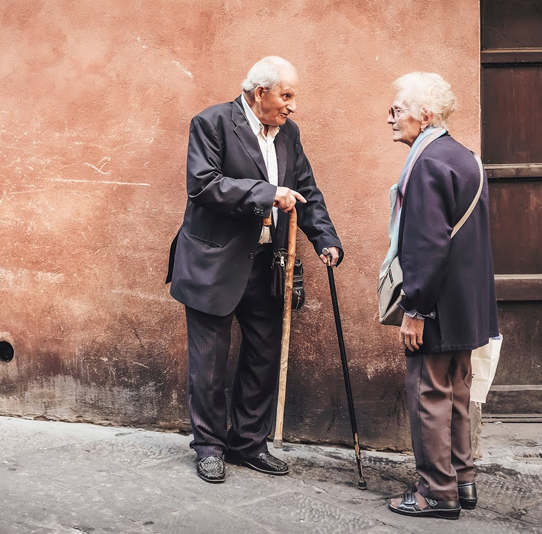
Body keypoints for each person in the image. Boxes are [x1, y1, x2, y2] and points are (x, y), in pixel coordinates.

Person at [165, 56, 343, 483]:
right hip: (214, 263)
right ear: (259, 92)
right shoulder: (211, 123)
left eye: (293, 96)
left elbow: (306, 190)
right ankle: (209, 446)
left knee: (263, 357)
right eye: (286, 95)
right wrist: (266, 193)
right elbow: (204, 184)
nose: (292, 106)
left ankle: (248, 443)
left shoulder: (289, 134)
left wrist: (326, 239)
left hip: (267, 264)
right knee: (208, 363)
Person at [381, 72, 499, 519]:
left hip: (436, 306)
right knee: (457, 392)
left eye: (398, 109)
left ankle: (436, 492)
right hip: (465, 306)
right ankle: (462, 481)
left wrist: (416, 309)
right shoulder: (465, 156)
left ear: (424, 115)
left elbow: (428, 244)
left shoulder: (427, 162)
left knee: (429, 394)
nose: (390, 117)